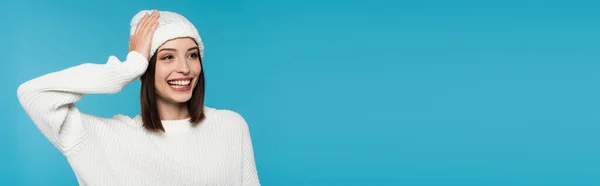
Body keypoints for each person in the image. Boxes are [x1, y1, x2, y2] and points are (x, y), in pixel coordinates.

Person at [17, 9, 260, 186]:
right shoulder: (105, 138)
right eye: (167, 57)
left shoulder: (231, 126)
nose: (185, 68)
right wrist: (129, 67)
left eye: (192, 55)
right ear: (146, 66)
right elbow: (32, 94)